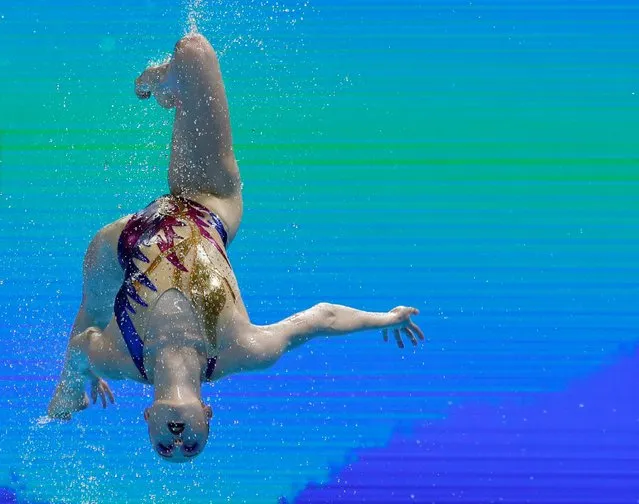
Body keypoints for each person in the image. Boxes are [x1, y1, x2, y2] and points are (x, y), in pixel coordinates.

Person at [47, 32, 425, 462]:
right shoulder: (243, 350)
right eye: (191, 445)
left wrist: (83, 373)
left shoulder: (119, 359)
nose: (176, 440)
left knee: (88, 320)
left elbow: (82, 347)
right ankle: (173, 81)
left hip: (121, 242)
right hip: (206, 200)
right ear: (207, 415)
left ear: (148, 417)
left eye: (163, 446)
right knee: (194, 51)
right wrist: (385, 319)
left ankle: (66, 397)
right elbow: (322, 317)